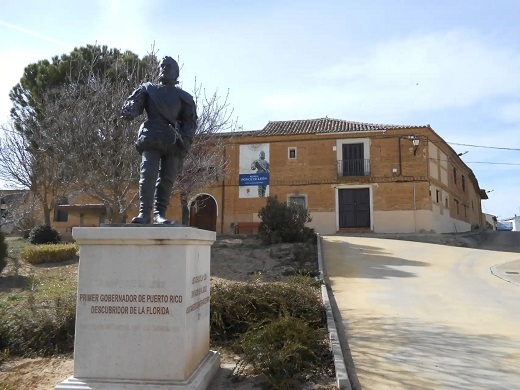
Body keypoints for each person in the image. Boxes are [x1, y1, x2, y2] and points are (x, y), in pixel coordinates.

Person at [121, 56, 197, 224]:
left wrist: (185, 137)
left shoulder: (185, 97)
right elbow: (134, 103)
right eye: (161, 66)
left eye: (168, 66)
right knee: (147, 174)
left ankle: (159, 214)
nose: (163, 68)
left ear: (176, 72)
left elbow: (190, 122)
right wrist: (130, 110)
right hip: (152, 136)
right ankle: (144, 213)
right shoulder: (148, 90)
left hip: (173, 141)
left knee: (167, 178)